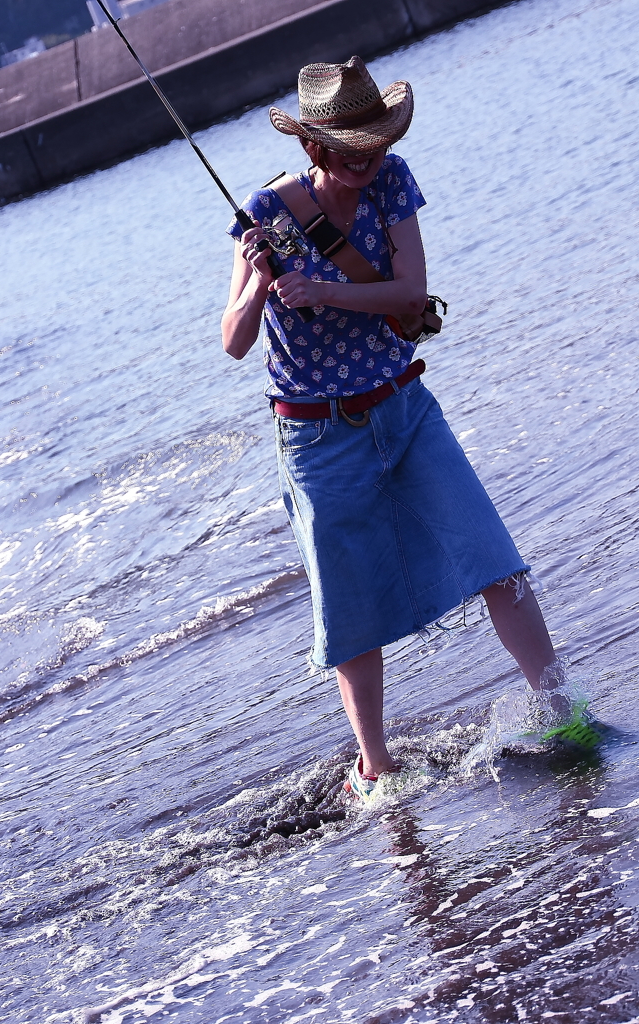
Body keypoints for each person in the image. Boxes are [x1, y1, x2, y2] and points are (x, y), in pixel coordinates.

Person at [221, 57, 598, 801]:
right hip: (318, 435)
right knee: (350, 612)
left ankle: (559, 709)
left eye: (378, 143)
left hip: (404, 406)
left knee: (497, 561)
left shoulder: (392, 181)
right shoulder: (263, 211)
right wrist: (262, 280)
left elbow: (410, 292)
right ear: (314, 146)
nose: (370, 159)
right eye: (353, 148)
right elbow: (233, 341)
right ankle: (377, 766)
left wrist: (323, 288)